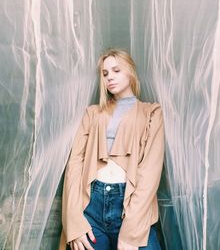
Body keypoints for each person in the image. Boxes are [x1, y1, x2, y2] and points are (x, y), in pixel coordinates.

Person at [60, 49, 165, 250]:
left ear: (131, 72)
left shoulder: (151, 112)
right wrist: (74, 220)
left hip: (130, 206)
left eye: (116, 70)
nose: (110, 77)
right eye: (105, 73)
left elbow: (150, 172)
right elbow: (75, 164)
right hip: (91, 205)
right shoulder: (93, 113)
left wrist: (130, 232)